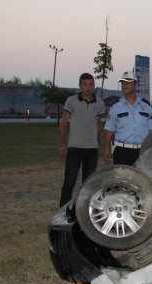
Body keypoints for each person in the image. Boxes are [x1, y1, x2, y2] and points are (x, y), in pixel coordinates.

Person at [58, 72, 105, 207]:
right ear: (80, 86)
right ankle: (63, 210)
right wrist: (61, 144)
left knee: (88, 183)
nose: (87, 87)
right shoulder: (71, 101)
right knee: (69, 181)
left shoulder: (100, 103)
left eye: (90, 84)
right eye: (84, 84)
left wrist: (98, 144)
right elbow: (63, 124)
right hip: (75, 148)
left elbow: (97, 125)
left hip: (92, 149)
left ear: (94, 86)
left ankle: (83, 211)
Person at [103, 71, 152, 165]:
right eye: (122, 83)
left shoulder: (146, 106)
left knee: (141, 178)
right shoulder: (116, 106)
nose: (124, 85)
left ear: (135, 85)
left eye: (128, 82)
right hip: (121, 151)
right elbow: (109, 130)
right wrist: (106, 148)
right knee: (122, 179)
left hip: (142, 151)